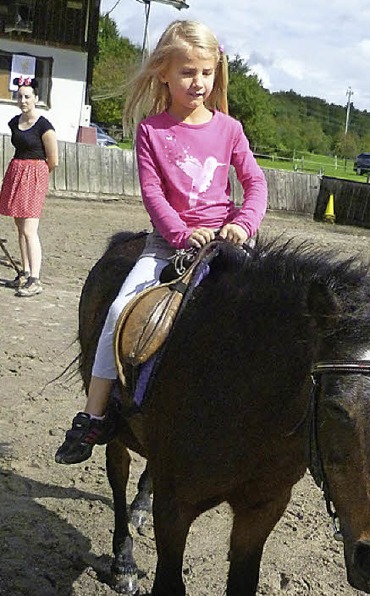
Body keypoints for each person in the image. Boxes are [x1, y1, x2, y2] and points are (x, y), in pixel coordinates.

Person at [54, 19, 267, 465]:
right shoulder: (152, 131)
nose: (199, 82)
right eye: (188, 72)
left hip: (227, 243)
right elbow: (153, 194)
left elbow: (255, 183)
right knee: (117, 312)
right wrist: (182, 234)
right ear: (163, 74)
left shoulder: (229, 129)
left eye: (206, 72)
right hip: (168, 245)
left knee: (267, 318)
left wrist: (244, 224)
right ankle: (93, 416)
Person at [0, 76, 58, 297]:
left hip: (34, 175)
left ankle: (35, 278)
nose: (23, 100)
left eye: (27, 97)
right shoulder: (14, 123)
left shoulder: (44, 125)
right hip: (16, 173)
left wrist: (36, 177)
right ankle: (24, 272)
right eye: (19, 96)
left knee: (30, 229)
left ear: (36, 98)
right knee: (19, 227)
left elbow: (53, 159)